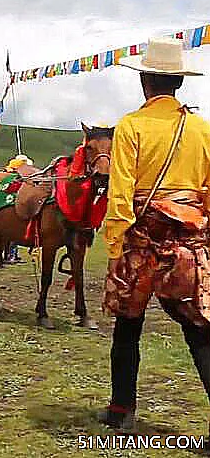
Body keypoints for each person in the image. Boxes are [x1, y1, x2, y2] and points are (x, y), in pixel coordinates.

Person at [99, 37, 210, 432]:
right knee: (199, 331)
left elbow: (121, 194)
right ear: (178, 82)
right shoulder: (202, 129)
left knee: (128, 327)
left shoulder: (130, 126)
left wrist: (114, 248)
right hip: (187, 244)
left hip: (141, 244)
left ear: (144, 81)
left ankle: (121, 410)